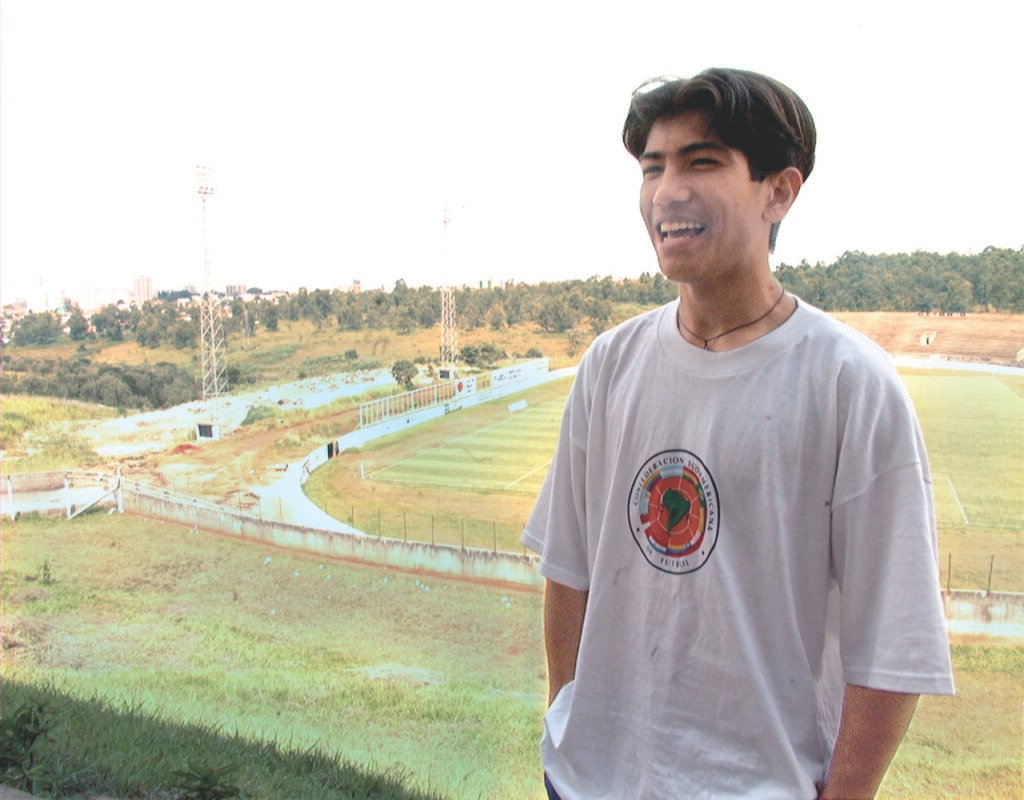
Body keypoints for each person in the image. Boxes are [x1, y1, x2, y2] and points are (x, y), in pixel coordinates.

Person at [521, 68, 954, 799]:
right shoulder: (610, 364)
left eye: (702, 162)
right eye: (652, 168)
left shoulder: (850, 384)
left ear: (779, 192)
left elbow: (893, 637)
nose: (667, 192)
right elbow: (569, 571)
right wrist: (568, 725)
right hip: (587, 782)